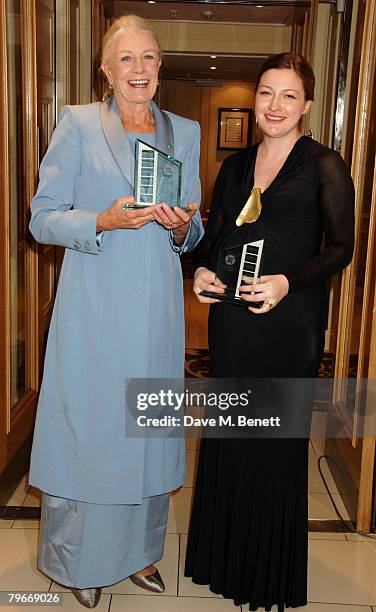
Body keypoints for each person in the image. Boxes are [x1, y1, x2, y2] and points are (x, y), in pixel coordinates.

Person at [28, 14, 203, 609]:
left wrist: (186, 226)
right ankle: (80, 562)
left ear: (161, 68)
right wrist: (102, 218)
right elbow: (42, 217)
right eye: (126, 59)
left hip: (156, 311)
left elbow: (194, 228)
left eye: (149, 58)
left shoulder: (185, 130)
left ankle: (140, 553)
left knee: (146, 432)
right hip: (94, 310)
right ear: (105, 70)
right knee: (92, 431)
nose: (139, 69)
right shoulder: (77, 124)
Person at [184, 53, 354, 611]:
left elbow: (340, 249)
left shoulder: (324, 164)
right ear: (254, 100)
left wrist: (286, 281)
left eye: (287, 95)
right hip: (233, 322)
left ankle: (267, 575)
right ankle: (222, 561)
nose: (274, 105)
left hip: (289, 322)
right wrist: (201, 271)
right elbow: (213, 242)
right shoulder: (234, 167)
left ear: (307, 104)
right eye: (265, 93)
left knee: (274, 445)